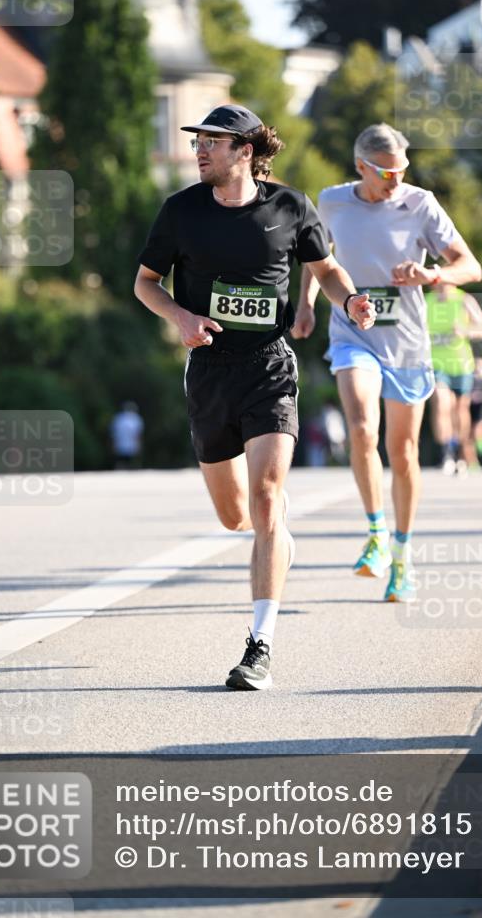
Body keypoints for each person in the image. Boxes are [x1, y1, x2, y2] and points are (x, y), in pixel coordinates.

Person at [134, 104, 375, 689]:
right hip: (210, 373)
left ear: (245, 151)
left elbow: (326, 269)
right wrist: (181, 316)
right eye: (198, 143)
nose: (199, 151)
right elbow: (145, 283)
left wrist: (350, 301)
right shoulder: (181, 211)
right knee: (234, 515)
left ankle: (259, 645)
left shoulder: (290, 208)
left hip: (269, 366)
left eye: (211, 143)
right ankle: (270, 533)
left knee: (268, 498)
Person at [293, 123, 482, 602]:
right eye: (385, 172)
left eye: (402, 170)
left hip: (409, 345)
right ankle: (376, 532)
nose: (395, 180)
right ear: (361, 166)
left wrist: (432, 273)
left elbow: (470, 265)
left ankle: (402, 553)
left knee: (403, 453)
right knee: (360, 426)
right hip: (353, 332)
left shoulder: (420, 204)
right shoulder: (333, 201)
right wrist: (306, 304)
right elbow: (318, 259)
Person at [426, 281, 482, 476]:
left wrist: (465, 330)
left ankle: (462, 451)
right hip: (435, 364)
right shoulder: (425, 301)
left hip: (461, 364)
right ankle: (446, 453)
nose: (441, 284)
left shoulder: (464, 300)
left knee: (460, 408)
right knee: (441, 401)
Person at [110, 402, 145, 469]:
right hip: (132, 445)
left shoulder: (118, 418)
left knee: (120, 462)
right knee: (132, 463)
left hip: (120, 445)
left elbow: (114, 433)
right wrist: (140, 445)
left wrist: (113, 445)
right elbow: (138, 434)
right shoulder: (136, 419)